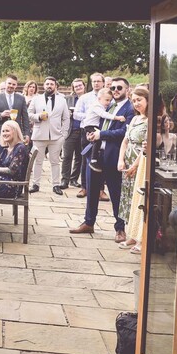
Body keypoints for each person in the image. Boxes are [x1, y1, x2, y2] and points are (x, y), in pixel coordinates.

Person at [70, 78, 135, 243]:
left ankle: (120, 228)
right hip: (96, 153)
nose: (115, 90)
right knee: (91, 189)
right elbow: (93, 122)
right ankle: (89, 222)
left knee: (115, 192)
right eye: (113, 87)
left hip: (114, 156)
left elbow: (124, 133)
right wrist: (91, 134)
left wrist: (101, 135)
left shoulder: (129, 109)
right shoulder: (108, 105)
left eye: (119, 87)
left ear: (127, 89)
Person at [117, 87, 149, 253]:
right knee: (128, 200)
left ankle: (141, 238)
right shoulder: (136, 119)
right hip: (127, 161)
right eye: (134, 100)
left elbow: (147, 147)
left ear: (147, 101)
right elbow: (125, 140)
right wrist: (120, 159)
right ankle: (132, 234)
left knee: (139, 201)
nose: (136, 103)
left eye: (139, 100)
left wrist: (134, 166)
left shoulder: (150, 121)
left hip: (140, 164)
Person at [27, 76, 70, 195]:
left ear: (55, 86)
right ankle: (35, 184)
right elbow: (28, 114)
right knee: (37, 161)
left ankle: (56, 185)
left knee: (55, 161)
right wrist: (38, 117)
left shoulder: (62, 100)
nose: (49, 86)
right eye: (47, 84)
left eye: (51, 84)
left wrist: (64, 134)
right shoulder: (36, 99)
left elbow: (66, 118)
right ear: (44, 86)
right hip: (39, 134)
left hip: (56, 136)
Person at [73, 72, 109, 201]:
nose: (96, 83)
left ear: (103, 83)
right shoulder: (85, 97)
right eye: (94, 81)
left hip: (102, 131)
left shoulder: (108, 97)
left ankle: (100, 190)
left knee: (100, 160)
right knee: (85, 159)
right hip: (87, 131)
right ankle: (84, 187)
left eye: (98, 81)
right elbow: (76, 114)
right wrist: (90, 115)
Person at [82, 88, 126, 172]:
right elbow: (103, 114)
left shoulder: (102, 105)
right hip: (89, 125)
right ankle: (93, 160)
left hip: (94, 125)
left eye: (110, 100)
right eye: (106, 100)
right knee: (98, 140)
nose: (108, 102)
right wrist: (117, 118)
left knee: (98, 139)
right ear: (99, 99)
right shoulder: (96, 106)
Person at [0, 74, 30, 143]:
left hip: (16, 133)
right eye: (9, 83)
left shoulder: (21, 98)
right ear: (5, 84)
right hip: (1, 133)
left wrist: (27, 134)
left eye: (13, 84)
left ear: (16, 85)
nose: (11, 86)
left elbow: (25, 118)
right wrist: (1, 115)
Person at [61, 78, 86, 190]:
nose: (78, 88)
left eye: (80, 85)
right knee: (67, 156)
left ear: (84, 86)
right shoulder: (68, 100)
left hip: (84, 131)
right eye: (76, 86)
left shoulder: (89, 99)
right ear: (73, 88)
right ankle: (64, 180)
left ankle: (74, 179)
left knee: (79, 157)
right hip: (70, 130)